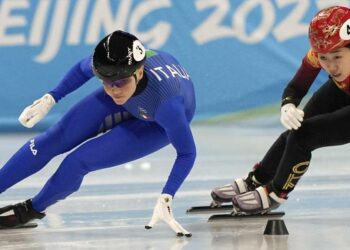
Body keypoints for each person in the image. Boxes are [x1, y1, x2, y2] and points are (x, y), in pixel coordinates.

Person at [0, 30, 196, 236]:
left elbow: (187, 153)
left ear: (138, 73)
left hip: (155, 124)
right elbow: (81, 69)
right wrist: (51, 97)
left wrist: (167, 195)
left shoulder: (168, 106)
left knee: (77, 162)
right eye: (105, 82)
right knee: (50, 140)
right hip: (134, 100)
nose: (113, 90)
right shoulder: (112, 64)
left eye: (119, 82)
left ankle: (30, 210)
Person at [211, 5, 350, 214]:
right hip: (343, 90)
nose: (330, 66)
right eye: (323, 58)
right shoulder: (318, 54)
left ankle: (275, 194)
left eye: (337, 56)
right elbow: (296, 87)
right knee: (295, 129)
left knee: (305, 136)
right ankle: (256, 181)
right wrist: (288, 105)